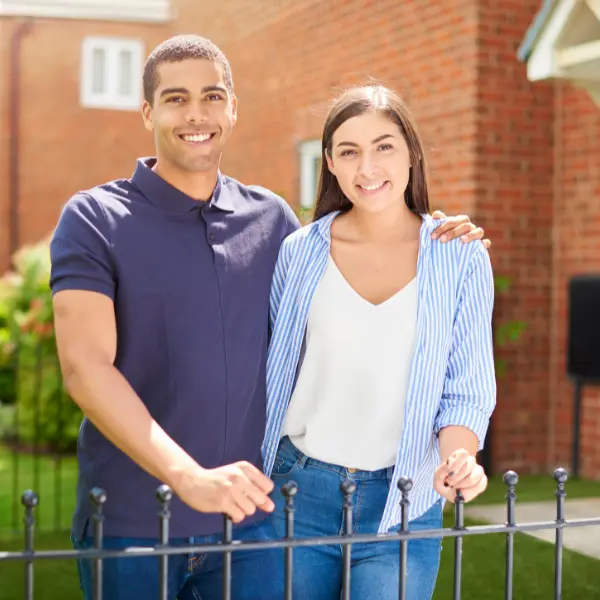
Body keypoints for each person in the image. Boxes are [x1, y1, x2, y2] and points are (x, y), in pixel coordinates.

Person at [49, 35, 491, 600]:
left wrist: (443, 235)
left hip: (253, 519)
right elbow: (85, 368)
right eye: (175, 98)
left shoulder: (272, 223)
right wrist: (189, 478)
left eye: (212, 96)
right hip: (137, 520)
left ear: (233, 107)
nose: (196, 114)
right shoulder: (94, 218)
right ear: (147, 112)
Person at [257, 84, 497, 600]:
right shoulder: (299, 252)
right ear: (331, 164)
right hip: (299, 490)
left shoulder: (459, 257)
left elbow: (467, 385)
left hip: (405, 498)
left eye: (384, 146)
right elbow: (271, 370)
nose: (367, 167)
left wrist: (460, 458)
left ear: (411, 151)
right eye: (349, 151)